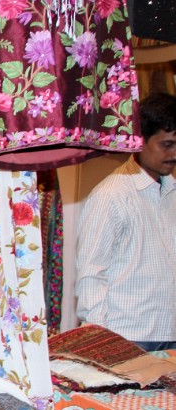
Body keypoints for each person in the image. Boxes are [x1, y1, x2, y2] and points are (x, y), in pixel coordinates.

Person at [75, 92, 176, 351]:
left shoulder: (172, 191)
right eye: (167, 144)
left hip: (169, 332)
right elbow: (90, 273)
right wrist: (100, 342)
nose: (174, 153)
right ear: (140, 141)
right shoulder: (112, 195)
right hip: (127, 335)